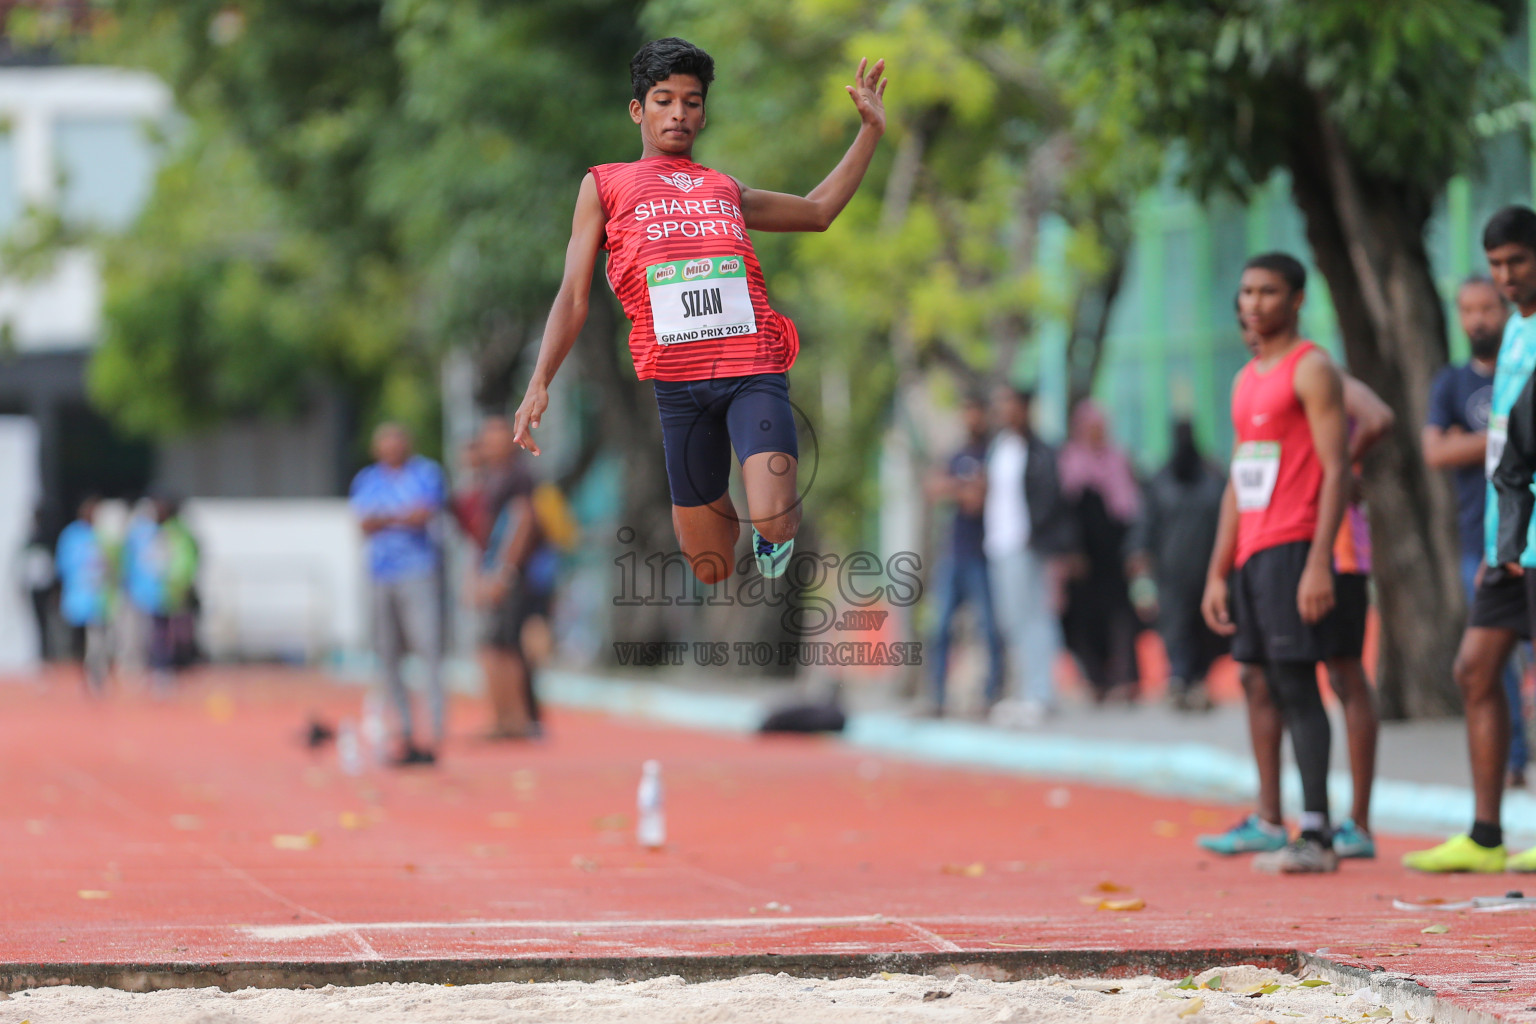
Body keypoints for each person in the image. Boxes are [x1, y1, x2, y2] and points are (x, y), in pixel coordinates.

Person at [510, 38, 887, 583]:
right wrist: (539, 380)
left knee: (777, 516)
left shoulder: (725, 188)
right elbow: (573, 294)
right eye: (664, 100)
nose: (679, 113)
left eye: (691, 101)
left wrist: (870, 131)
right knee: (709, 564)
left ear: (704, 113)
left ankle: (767, 521)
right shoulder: (604, 185)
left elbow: (819, 211)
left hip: (752, 366)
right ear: (639, 109)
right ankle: (722, 511)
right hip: (679, 383)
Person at [1200, 252, 1350, 874]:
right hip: (1253, 552)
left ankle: (1316, 832)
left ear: (1296, 300)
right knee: (1256, 680)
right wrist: (1217, 568)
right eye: (1246, 292)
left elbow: (1338, 467)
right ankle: (1271, 819)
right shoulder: (1245, 379)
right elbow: (1240, 478)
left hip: (1295, 544)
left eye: (1267, 292)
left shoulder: (1311, 369)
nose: (1253, 303)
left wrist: (1319, 560)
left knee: (1295, 680)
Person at [1407, 207, 1536, 873]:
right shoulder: (1516, 335)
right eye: (1497, 266)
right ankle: (1487, 836)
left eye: (1518, 262)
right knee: (1474, 669)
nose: (1508, 277)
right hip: (1502, 541)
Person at [1425, 276, 1528, 789]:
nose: (1478, 319)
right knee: (1483, 664)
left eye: (1488, 307)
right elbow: (1435, 452)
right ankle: (1509, 765)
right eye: (1468, 309)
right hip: (1479, 540)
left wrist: (1474, 440)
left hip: (1528, 536)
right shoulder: (1450, 383)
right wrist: (1505, 433)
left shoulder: (1521, 366)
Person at [350, 423, 447, 766]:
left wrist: (385, 518)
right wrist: (401, 517)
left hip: (417, 572)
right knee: (387, 653)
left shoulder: (425, 472)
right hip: (380, 575)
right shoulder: (367, 479)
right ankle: (403, 729)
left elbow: (424, 514)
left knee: (427, 648)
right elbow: (363, 523)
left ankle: (435, 730)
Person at [983, 386, 1073, 726]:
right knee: (1012, 619)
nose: (1004, 410)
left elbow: (1051, 499)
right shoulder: (999, 449)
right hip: (999, 544)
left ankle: (1041, 692)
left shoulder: (1039, 451)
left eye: (1009, 404)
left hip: (1026, 546)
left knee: (1034, 618)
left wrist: (1037, 537)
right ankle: (1027, 690)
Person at [1125, 420, 1228, 712]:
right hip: (1171, 574)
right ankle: (1180, 679)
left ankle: (1197, 683)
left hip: (1207, 572)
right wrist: (1138, 553)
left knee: (1204, 632)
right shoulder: (1161, 481)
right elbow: (1146, 521)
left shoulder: (1213, 479)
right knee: (1176, 630)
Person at [1058, 400, 1142, 703]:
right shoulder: (1069, 462)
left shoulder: (1119, 460)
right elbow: (1065, 511)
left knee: (1120, 616)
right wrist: (1071, 551)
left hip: (1114, 555)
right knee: (1082, 620)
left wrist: (1134, 550)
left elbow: (1131, 510)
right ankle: (1095, 679)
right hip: (1082, 558)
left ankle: (1126, 678)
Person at [471, 418, 550, 740]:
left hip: (512, 575)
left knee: (505, 647)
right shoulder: (492, 477)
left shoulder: (518, 477)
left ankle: (515, 720)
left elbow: (522, 523)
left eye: (496, 440)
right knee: (495, 646)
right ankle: (504, 719)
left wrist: (503, 574)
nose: (489, 446)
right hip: (498, 571)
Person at [925, 394, 1004, 716]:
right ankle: (937, 697)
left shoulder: (994, 454)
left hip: (982, 554)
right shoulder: (957, 454)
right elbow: (932, 488)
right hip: (953, 554)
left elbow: (976, 500)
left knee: (988, 628)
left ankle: (991, 694)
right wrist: (962, 487)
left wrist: (954, 488)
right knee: (939, 627)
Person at [56, 497, 113, 694]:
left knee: (99, 641)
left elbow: (112, 566)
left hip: (99, 600)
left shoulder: (101, 536)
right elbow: (63, 567)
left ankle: (99, 677)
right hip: (78, 599)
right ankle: (85, 676)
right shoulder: (72, 536)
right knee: (80, 642)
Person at [18, 507, 57, 662]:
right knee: (38, 622)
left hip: (44, 586)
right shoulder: (31, 539)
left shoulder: (46, 538)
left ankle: (47, 653)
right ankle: (40, 653)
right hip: (35, 586)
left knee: (45, 621)